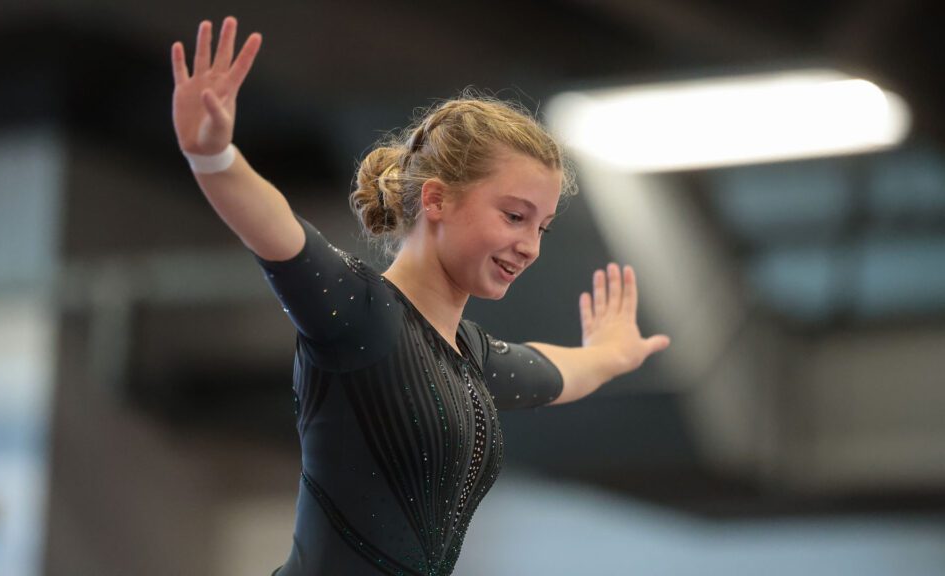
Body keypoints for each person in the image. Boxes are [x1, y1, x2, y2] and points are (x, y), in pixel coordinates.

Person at [171, 16, 671, 576]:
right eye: (514, 216)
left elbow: (553, 370)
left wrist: (610, 354)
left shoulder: (471, 360)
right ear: (436, 200)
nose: (529, 245)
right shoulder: (359, 315)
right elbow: (279, 233)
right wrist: (212, 157)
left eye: (542, 227)